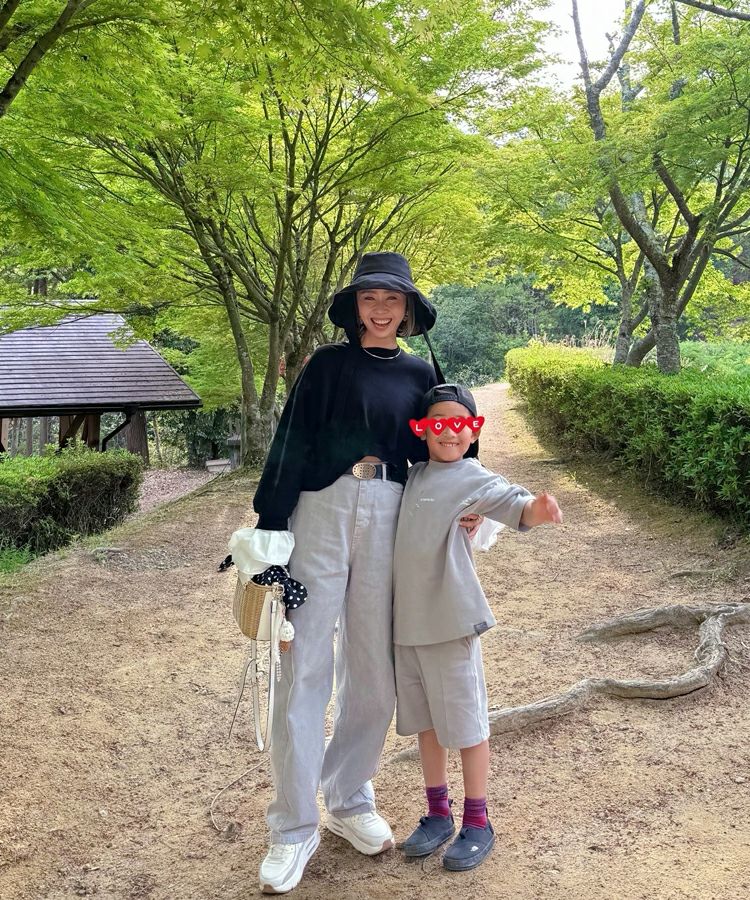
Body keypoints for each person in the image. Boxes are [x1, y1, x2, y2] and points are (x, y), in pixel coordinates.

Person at [250, 252, 480, 894]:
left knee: (376, 675)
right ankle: (292, 827)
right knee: (303, 670)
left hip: (391, 514)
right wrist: (270, 527)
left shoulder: (421, 373)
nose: (380, 309)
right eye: (370, 298)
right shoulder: (326, 366)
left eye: (392, 299)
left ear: (407, 311)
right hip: (320, 511)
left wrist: (468, 502)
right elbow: (291, 439)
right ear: (355, 307)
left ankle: (349, 797)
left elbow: (451, 435)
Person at [393, 383, 563, 872]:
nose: (448, 432)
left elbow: (514, 502)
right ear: (421, 430)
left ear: (473, 430)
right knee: (425, 724)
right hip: (405, 626)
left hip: (450, 622)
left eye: (459, 423)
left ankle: (477, 819)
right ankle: (437, 813)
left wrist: (538, 510)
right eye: (438, 423)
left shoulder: (475, 477)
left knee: (466, 725)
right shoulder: (411, 476)